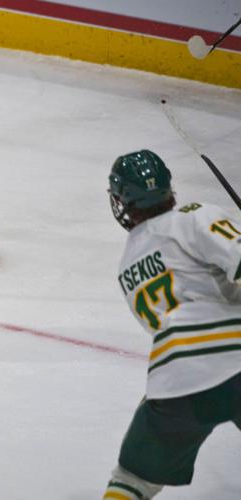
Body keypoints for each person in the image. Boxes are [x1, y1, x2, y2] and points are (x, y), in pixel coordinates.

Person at [102, 150, 241, 499]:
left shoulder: (127, 266)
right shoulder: (195, 216)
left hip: (176, 382)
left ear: (122, 201)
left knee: (132, 480)